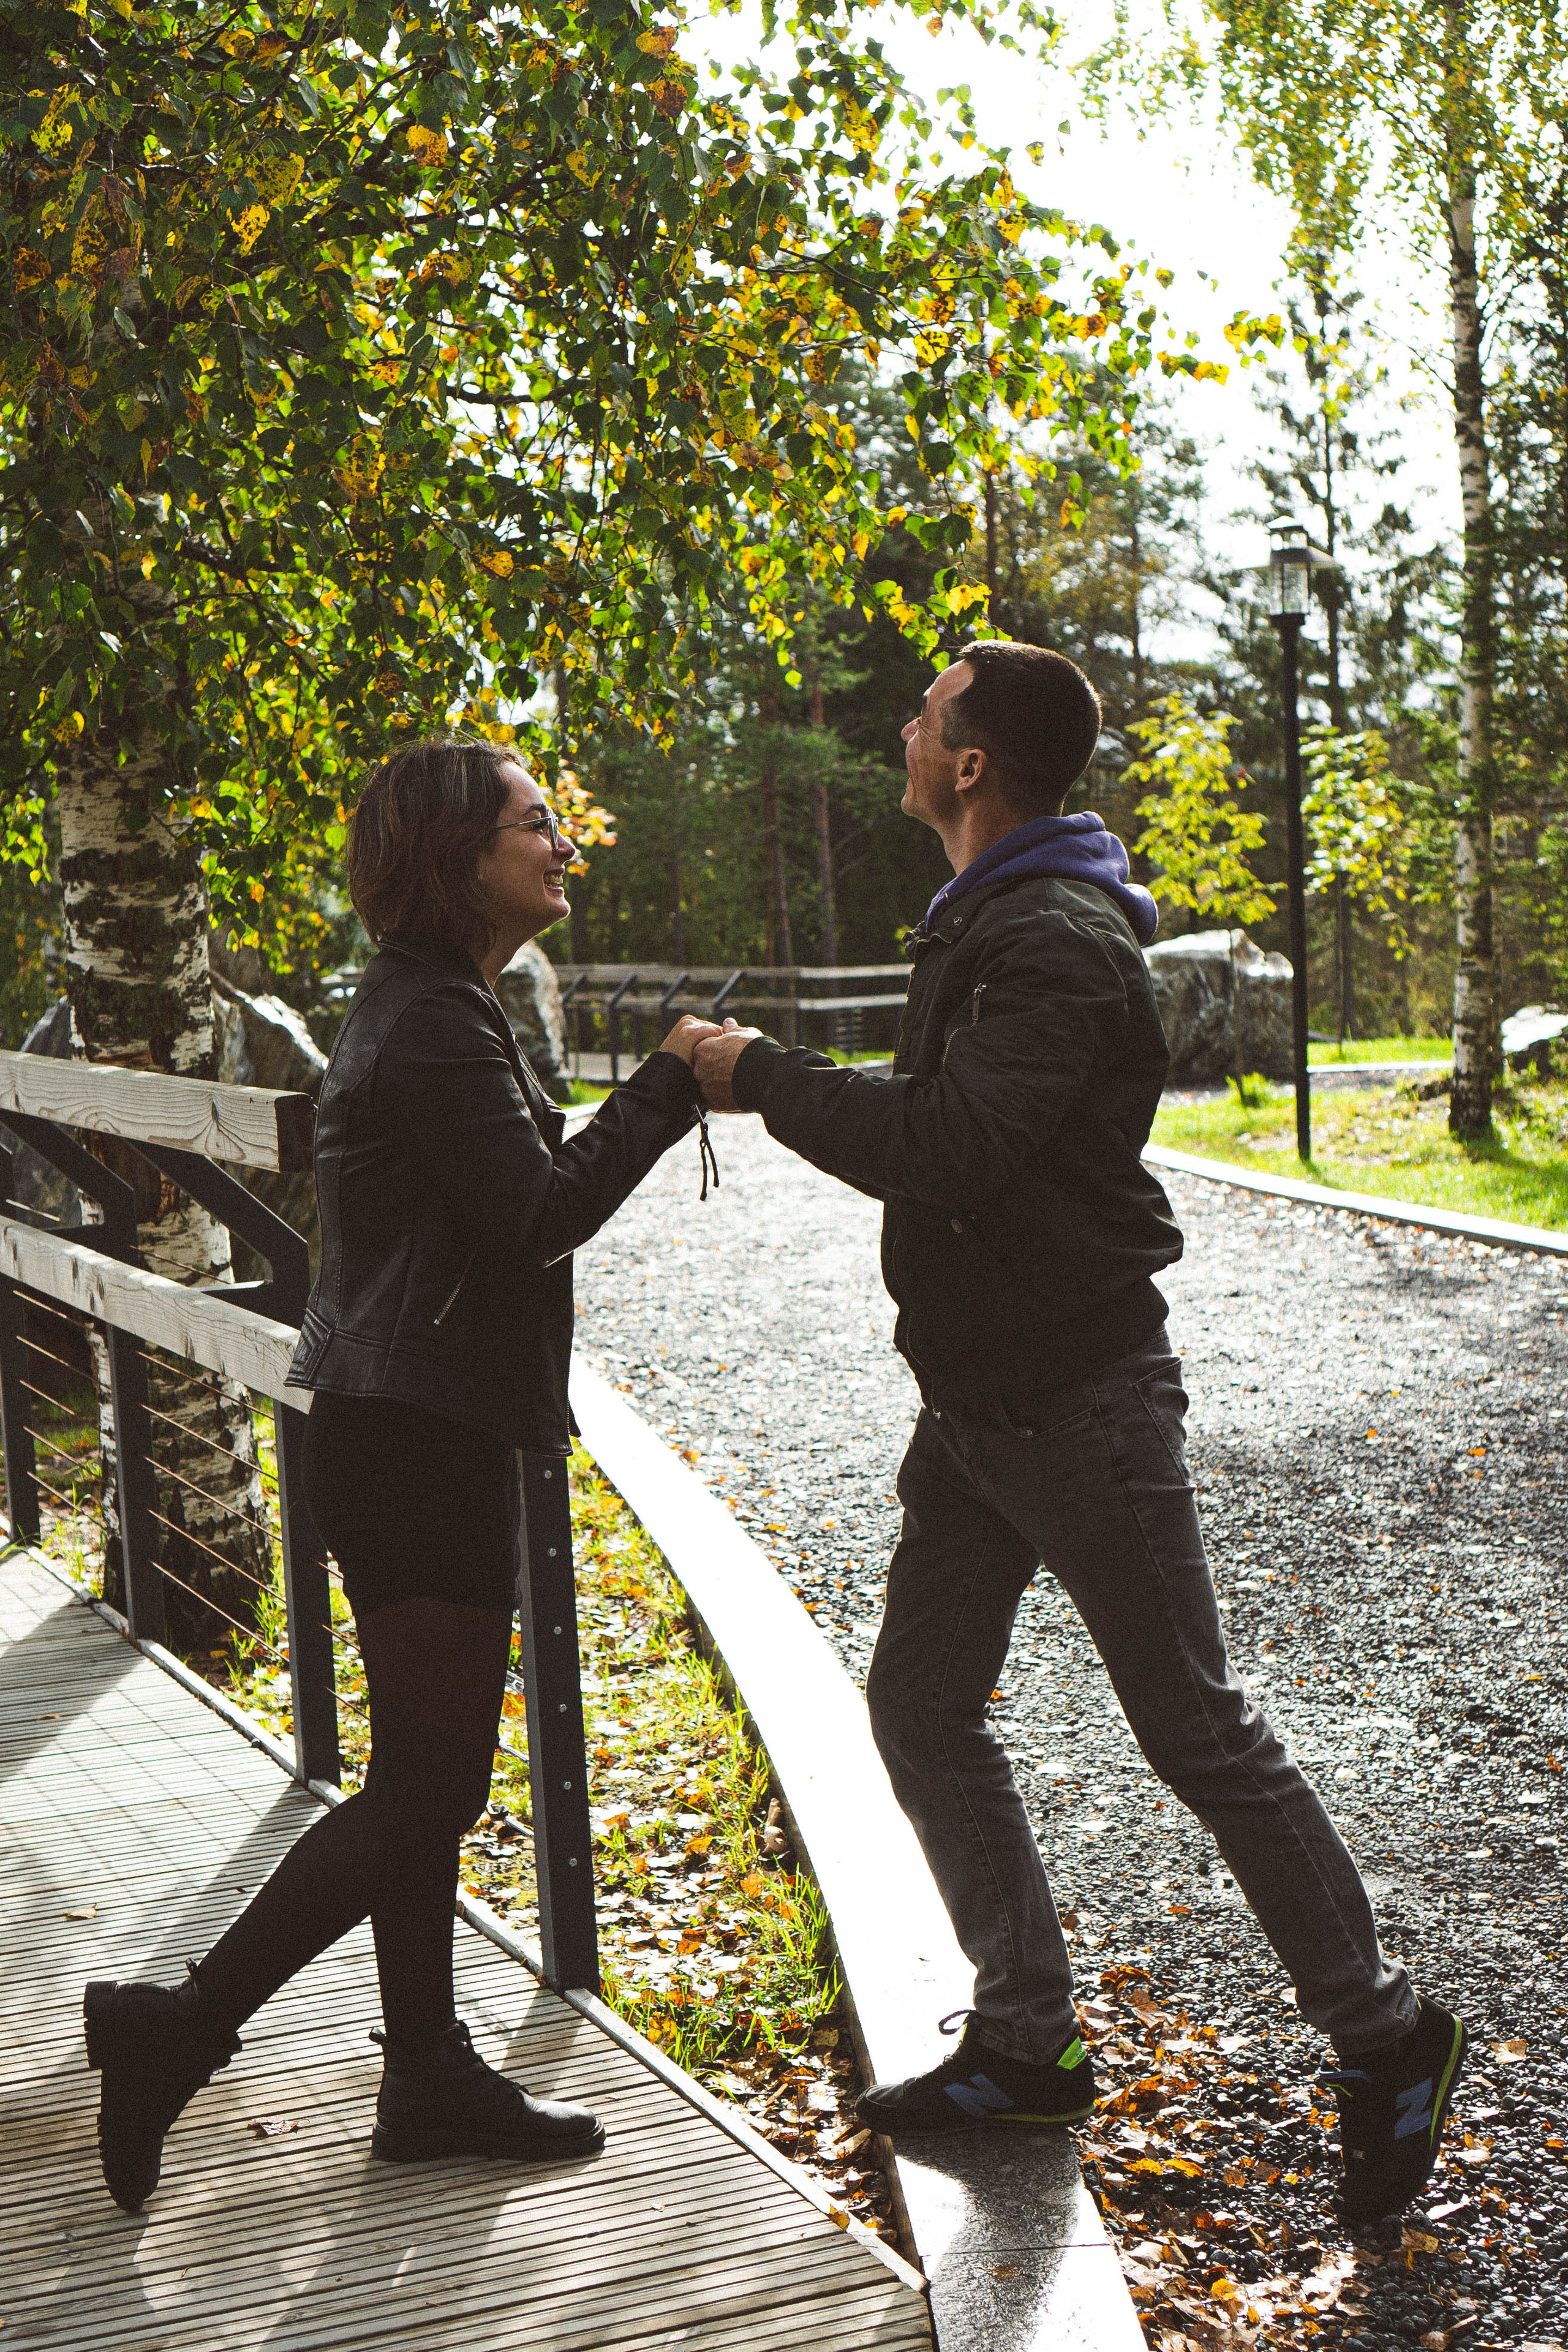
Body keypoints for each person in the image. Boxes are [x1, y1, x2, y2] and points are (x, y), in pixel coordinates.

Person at [692, 641, 1464, 2226]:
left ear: (972, 765)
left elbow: (957, 1147)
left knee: (1195, 1731)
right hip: (979, 1408)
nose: (905, 727)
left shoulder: (1048, 933)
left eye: (927, 713)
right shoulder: (993, 913)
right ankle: (1032, 2042)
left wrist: (762, 1075)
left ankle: (1388, 2039)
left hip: (1083, 1403)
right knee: (918, 1705)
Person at [83, 736, 723, 2214]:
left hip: (403, 1420)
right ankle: (179, 2028)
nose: (563, 844)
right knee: (426, 1787)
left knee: (417, 1783)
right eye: (535, 823)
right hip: (415, 1432)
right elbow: (531, 1214)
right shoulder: (433, 1019)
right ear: (458, 855)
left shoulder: (437, 1004)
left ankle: (425, 2072)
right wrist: (668, 1085)